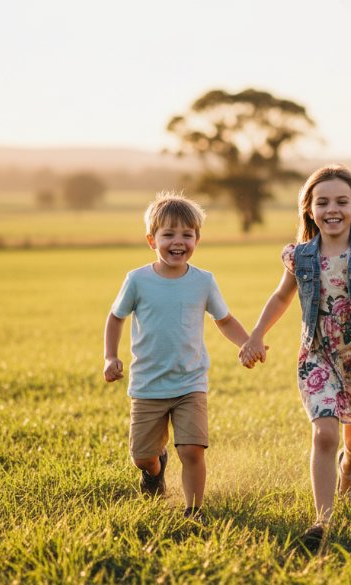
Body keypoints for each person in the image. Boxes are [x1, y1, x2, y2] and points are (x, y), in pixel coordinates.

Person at [238, 164, 351, 551]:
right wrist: (256, 336)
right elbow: (282, 297)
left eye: (340, 201)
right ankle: (323, 520)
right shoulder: (299, 257)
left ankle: (349, 471)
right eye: (322, 202)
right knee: (325, 432)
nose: (331, 209)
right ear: (309, 210)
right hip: (318, 354)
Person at [104, 192, 250, 520]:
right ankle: (155, 470)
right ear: (151, 240)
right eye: (168, 234)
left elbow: (224, 320)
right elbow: (116, 317)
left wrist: (247, 343)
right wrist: (109, 357)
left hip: (190, 382)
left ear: (197, 238)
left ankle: (193, 510)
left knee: (192, 450)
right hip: (147, 386)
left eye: (187, 234)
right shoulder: (137, 280)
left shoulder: (203, 281)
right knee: (142, 456)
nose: (178, 241)